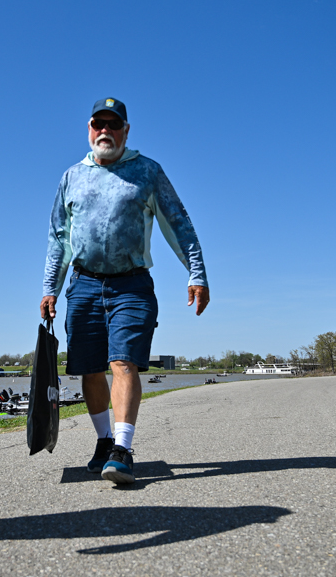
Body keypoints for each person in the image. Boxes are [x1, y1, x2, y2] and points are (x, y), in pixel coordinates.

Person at [40, 97, 208, 485]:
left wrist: (196, 274)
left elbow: (179, 224)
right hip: (83, 284)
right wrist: (51, 287)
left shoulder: (147, 171)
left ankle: (122, 448)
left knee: (123, 362)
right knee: (89, 369)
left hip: (131, 284)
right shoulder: (71, 177)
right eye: (99, 124)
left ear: (126, 131)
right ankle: (104, 441)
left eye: (114, 125)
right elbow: (58, 238)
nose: (106, 131)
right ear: (89, 129)